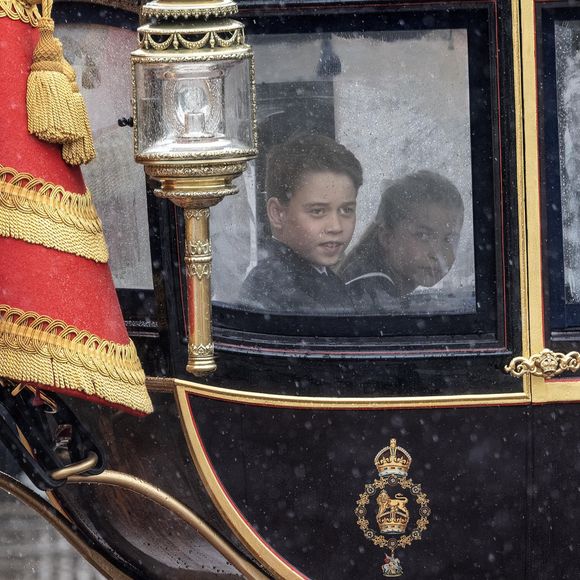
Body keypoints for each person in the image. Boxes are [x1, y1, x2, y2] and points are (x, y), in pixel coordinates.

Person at [238, 134, 363, 313]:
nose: (336, 227)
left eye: (346, 210)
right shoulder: (277, 289)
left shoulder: (316, 277)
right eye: (318, 211)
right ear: (278, 213)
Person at [340, 170, 464, 312]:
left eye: (448, 239)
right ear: (387, 238)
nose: (437, 254)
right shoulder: (369, 295)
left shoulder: (377, 287)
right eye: (423, 235)